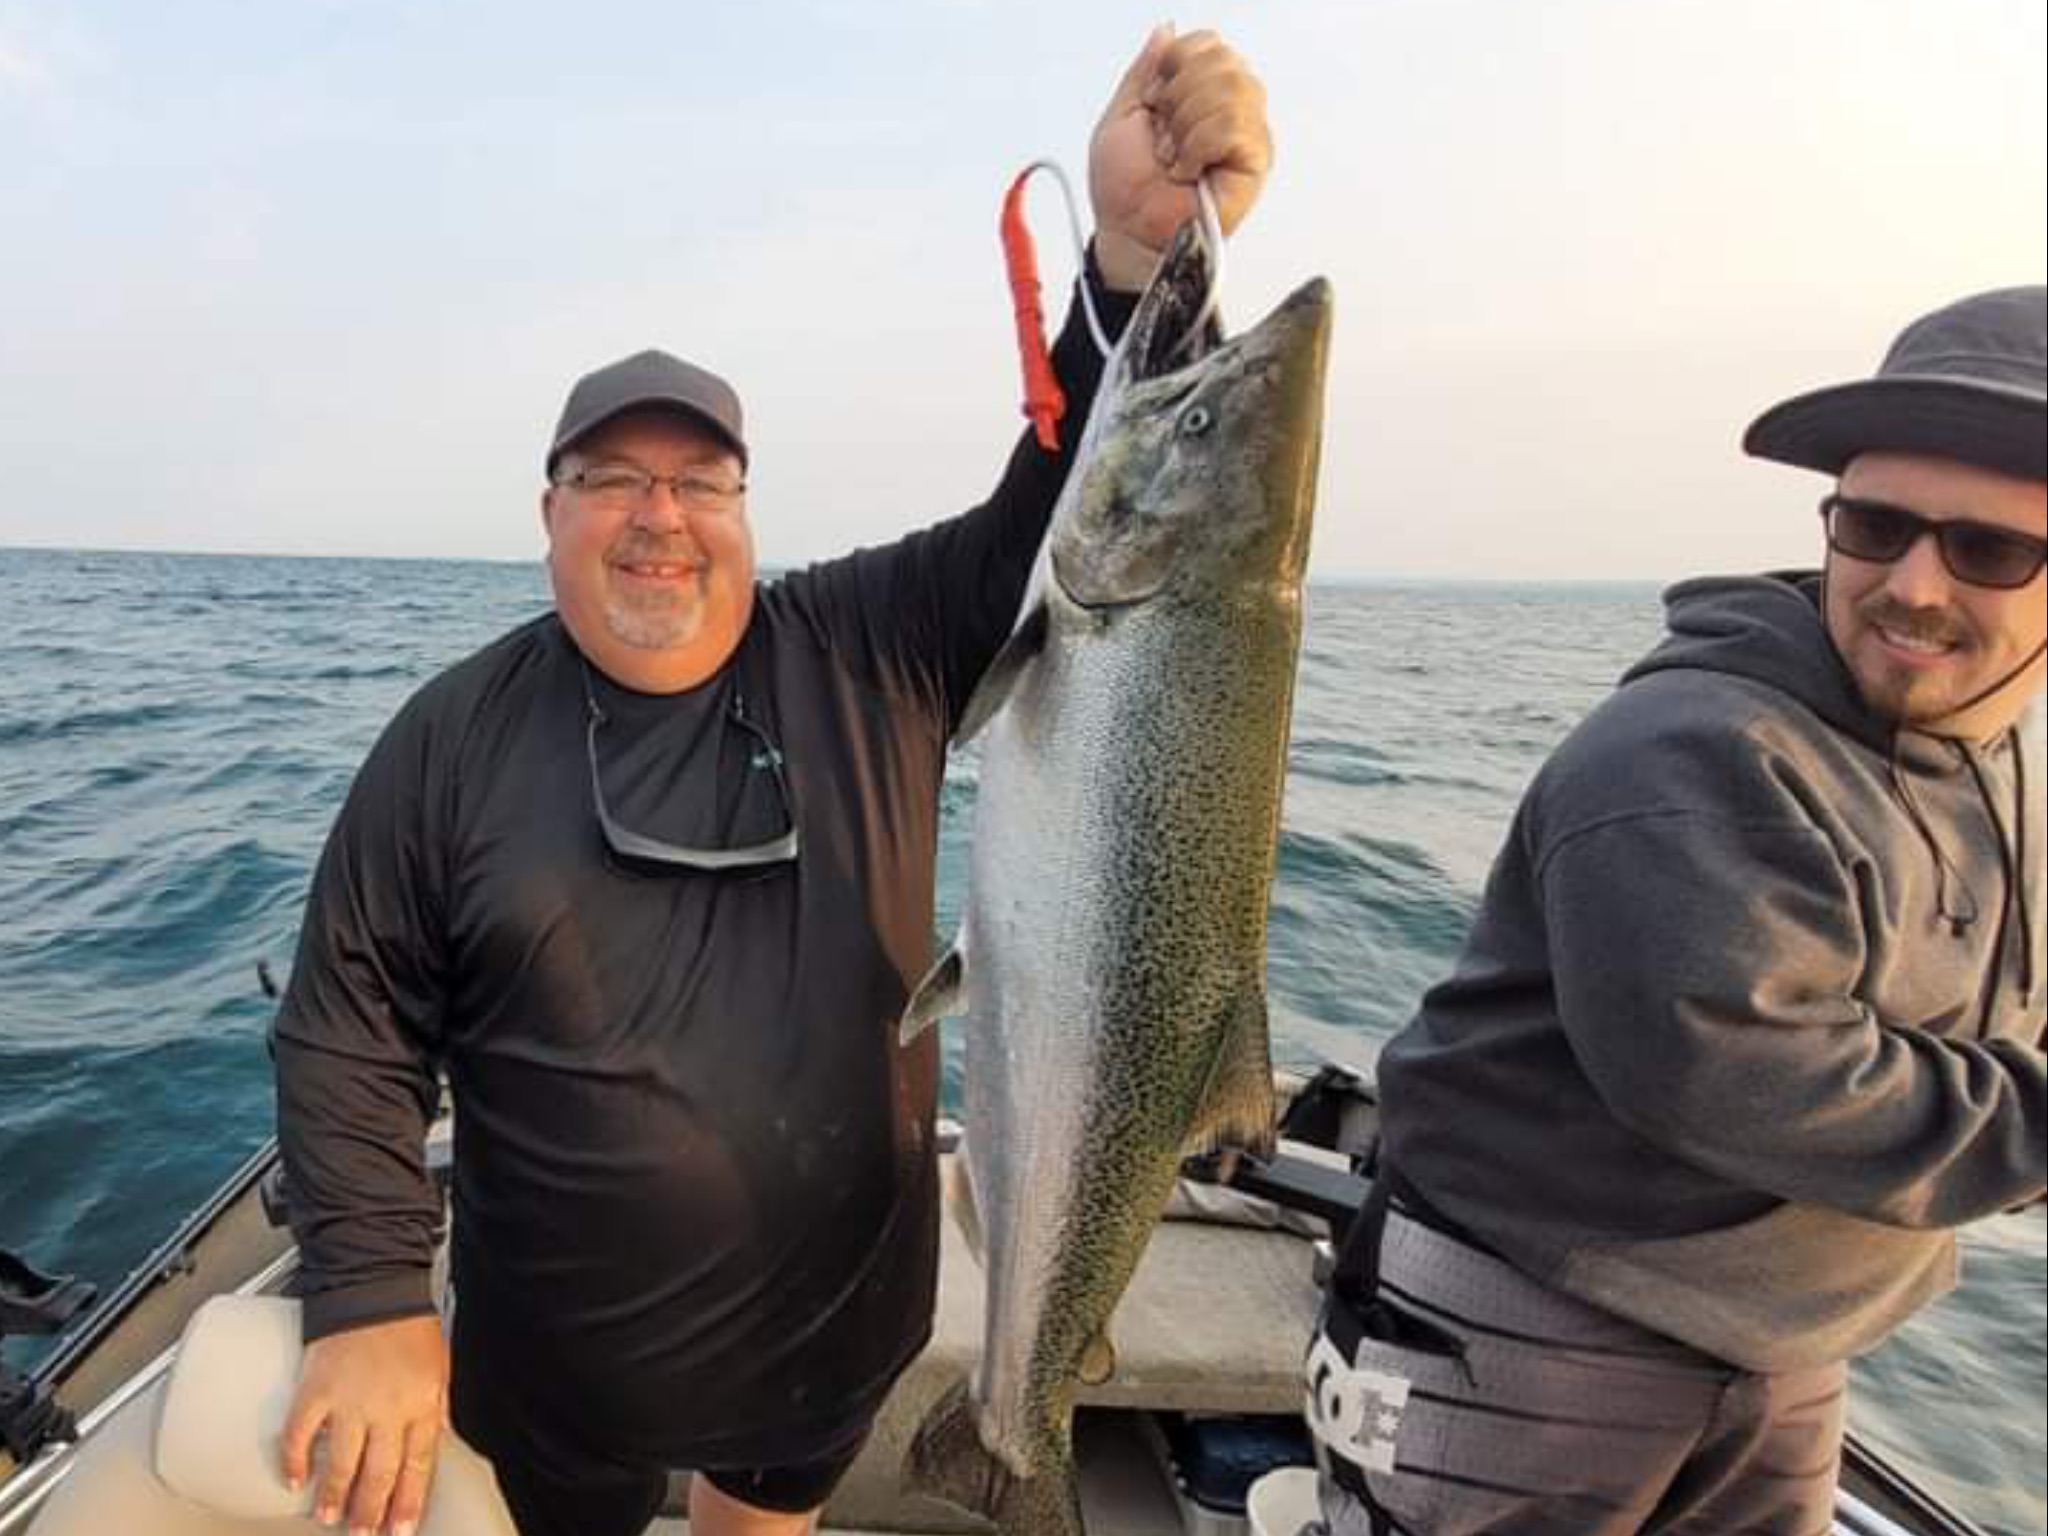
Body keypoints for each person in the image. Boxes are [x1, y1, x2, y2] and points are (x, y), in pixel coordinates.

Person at [268, 28, 1273, 1536]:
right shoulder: (450, 736)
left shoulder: (876, 645)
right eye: (612, 478)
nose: (656, 517)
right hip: (558, 1369)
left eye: (699, 481)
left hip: (831, 1339)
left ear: (747, 507)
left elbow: (1069, 506)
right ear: (548, 512)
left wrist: (1136, 266)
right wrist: (363, 1293)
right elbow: (346, 1027)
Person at [1307, 287, 2046, 1536]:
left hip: (1787, 1339)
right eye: (1872, 527)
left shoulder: (1993, 758)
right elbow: (1732, 1073)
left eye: (1986, 550)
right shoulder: (1687, 751)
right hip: (1523, 1321)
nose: (1912, 585)